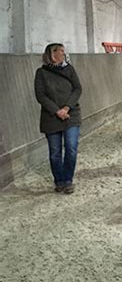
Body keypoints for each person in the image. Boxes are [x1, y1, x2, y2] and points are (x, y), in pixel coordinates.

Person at [34, 43, 82, 194]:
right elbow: (40, 95)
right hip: (51, 117)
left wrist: (67, 107)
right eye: (60, 51)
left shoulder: (69, 69)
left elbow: (77, 88)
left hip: (71, 114)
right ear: (51, 54)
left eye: (63, 51)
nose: (63, 53)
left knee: (71, 148)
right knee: (55, 152)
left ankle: (68, 180)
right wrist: (56, 111)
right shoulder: (41, 73)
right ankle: (59, 180)